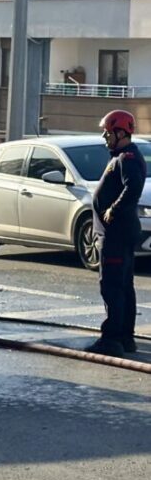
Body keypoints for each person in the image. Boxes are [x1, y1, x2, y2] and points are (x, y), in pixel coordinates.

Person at [86, 110, 146, 357]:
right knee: (122, 286)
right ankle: (125, 338)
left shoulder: (127, 158)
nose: (105, 137)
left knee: (112, 286)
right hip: (117, 234)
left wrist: (113, 208)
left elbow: (133, 187)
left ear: (121, 133)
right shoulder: (122, 156)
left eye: (108, 132)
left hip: (116, 235)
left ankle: (112, 339)